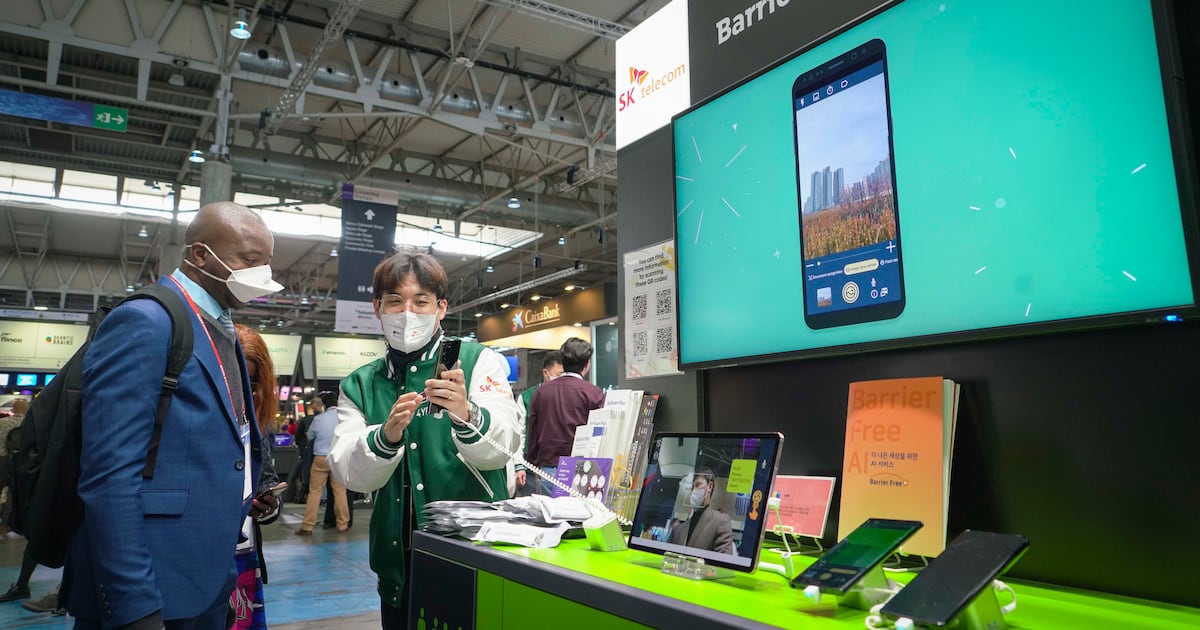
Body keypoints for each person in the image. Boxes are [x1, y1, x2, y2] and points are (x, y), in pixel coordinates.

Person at [63, 202, 283, 630]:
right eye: (250, 260)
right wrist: (134, 606)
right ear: (200, 254)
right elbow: (110, 475)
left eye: (266, 262)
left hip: (205, 576)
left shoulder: (220, 327)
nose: (261, 274)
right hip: (152, 588)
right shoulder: (147, 321)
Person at [328, 251, 519, 629]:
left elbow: (505, 446)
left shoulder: (478, 361)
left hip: (474, 552)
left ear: (441, 307)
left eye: (421, 301)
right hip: (396, 563)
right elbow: (350, 472)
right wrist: (384, 437)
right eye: (395, 301)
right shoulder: (360, 384)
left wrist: (467, 415)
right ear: (378, 308)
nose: (407, 311)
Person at [230, 323, 284, 630]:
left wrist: (268, 504)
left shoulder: (257, 421)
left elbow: (267, 480)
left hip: (244, 557)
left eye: (250, 384)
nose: (242, 393)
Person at [526, 338, 605, 495]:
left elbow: (533, 431)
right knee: (579, 519)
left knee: (550, 518)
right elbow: (600, 436)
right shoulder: (593, 393)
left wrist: (533, 462)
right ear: (587, 363)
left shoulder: (541, 392)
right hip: (583, 472)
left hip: (548, 470)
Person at [296, 391, 349, 535]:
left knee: (315, 492)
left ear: (324, 405)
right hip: (338, 458)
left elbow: (310, 437)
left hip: (320, 458)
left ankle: (307, 526)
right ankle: (342, 524)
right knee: (340, 492)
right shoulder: (343, 419)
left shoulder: (319, 419)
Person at [514, 351, 562, 496]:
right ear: (545, 373)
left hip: (562, 470)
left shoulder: (567, 397)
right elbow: (519, 433)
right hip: (530, 472)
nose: (561, 380)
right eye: (558, 375)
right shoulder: (527, 397)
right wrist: (519, 465)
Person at [668, 468, 736, 555]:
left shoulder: (720, 521)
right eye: (692, 487)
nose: (694, 491)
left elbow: (723, 563)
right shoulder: (678, 530)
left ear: (710, 486)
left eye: (698, 485)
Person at [0, 397, 28, 533]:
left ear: (13, 409)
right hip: (20, 461)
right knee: (13, 491)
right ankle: (6, 523)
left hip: (1, 459)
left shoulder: (2, 423)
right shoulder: (28, 423)